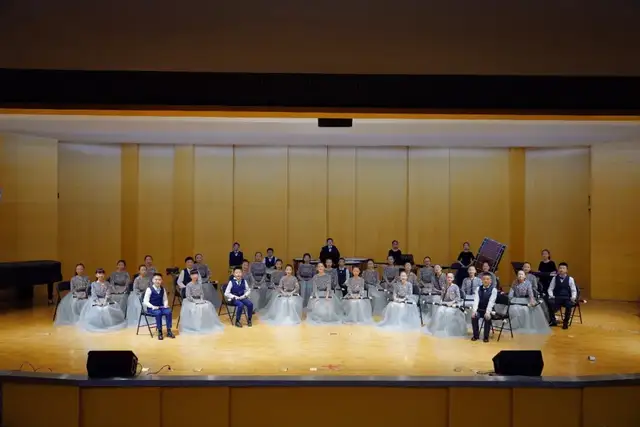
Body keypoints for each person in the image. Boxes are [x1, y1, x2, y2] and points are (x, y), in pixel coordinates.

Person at [78, 268, 127, 332]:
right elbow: (93, 294)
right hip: (96, 300)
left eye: (102, 273)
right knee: (98, 309)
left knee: (107, 308)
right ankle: (97, 324)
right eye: (99, 273)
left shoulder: (107, 283)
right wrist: (98, 302)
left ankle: (107, 324)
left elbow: (108, 293)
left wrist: (105, 301)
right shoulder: (93, 284)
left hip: (106, 299)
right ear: (96, 275)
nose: (101, 275)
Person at [422, 273, 466, 337]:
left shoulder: (455, 287)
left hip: (453, 304)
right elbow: (442, 297)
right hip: (444, 304)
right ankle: (434, 329)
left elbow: (458, 298)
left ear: (453, 279)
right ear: (446, 278)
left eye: (451, 277)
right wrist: (442, 302)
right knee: (439, 311)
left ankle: (447, 330)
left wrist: (452, 302)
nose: (449, 279)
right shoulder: (444, 286)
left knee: (448, 312)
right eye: (448, 277)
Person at [180, 270, 224, 334]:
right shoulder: (189, 285)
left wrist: (201, 299)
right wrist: (194, 301)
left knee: (208, 305)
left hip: (199, 299)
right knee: (198, 308)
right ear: (190, 276)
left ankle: (206, 324)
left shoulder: (199, 284)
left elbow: (202, 293)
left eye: (196, 274)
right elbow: (188, 296)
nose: (195, 276)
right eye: (193, 275)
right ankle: (196, 325)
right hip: (191, 300)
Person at [142, 273, 175, 340]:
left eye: (159, 279)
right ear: (153, 280)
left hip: (161, 307)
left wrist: (165, 305)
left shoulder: (163, 289)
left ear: (161, 281)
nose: (157, 281)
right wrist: (152, 306)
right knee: (158, 313)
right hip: (151, 308)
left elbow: (165, 299)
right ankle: (160, 331)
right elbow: (145, 301)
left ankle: (169, 330)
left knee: (168, 312)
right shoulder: (149, 289)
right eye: (156, 279)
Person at [548, 262, 578, 329]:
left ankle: (565, 322)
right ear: (558, 269)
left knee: (569, 305)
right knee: (550, 303)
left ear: (566, 270)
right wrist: (551, 295)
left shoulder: (570, 279)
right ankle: (553, 321)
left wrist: (573, 297)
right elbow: (550, 288)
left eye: (563, 268)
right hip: (557, 297)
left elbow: (573, 290)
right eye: (560, 268)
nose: (561, 269)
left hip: (566, 297)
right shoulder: (554, 278)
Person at [470, 272, 498, 342]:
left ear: (490, 281)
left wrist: (487, 312)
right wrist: (474, 311)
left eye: (487, 279)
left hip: (489, 310)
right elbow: (476, 300)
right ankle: (475, 335)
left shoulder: (494, 290)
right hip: (480, 310)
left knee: (487, 317)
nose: (485, 280)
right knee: (474, 317)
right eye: (484, 279)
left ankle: (486, 337)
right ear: (482, 280)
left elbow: (491, 302)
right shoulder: (478, 288)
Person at [538, 249, 558, 324]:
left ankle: (550, 315)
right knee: (542, 297)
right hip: (542, 282)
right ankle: (544, 314)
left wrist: (547, 274)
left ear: (548, 255)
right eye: (543, 254)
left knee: (548, 298)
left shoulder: (552, 263)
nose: (544, 255)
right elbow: (539, 272)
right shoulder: (541, 263)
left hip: (549, 282)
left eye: (546, 253)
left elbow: (554, 272)